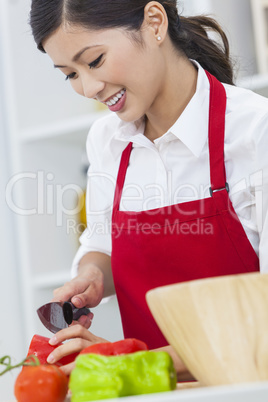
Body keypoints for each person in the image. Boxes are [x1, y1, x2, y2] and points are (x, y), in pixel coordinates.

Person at [30, 0, 268, 378]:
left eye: (94, 61)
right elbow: (103, 241)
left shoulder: (255, 133)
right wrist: (93, 274)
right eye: (69, 74)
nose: (89, 87)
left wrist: (131, 362)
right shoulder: (107, 141)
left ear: (154, 22)